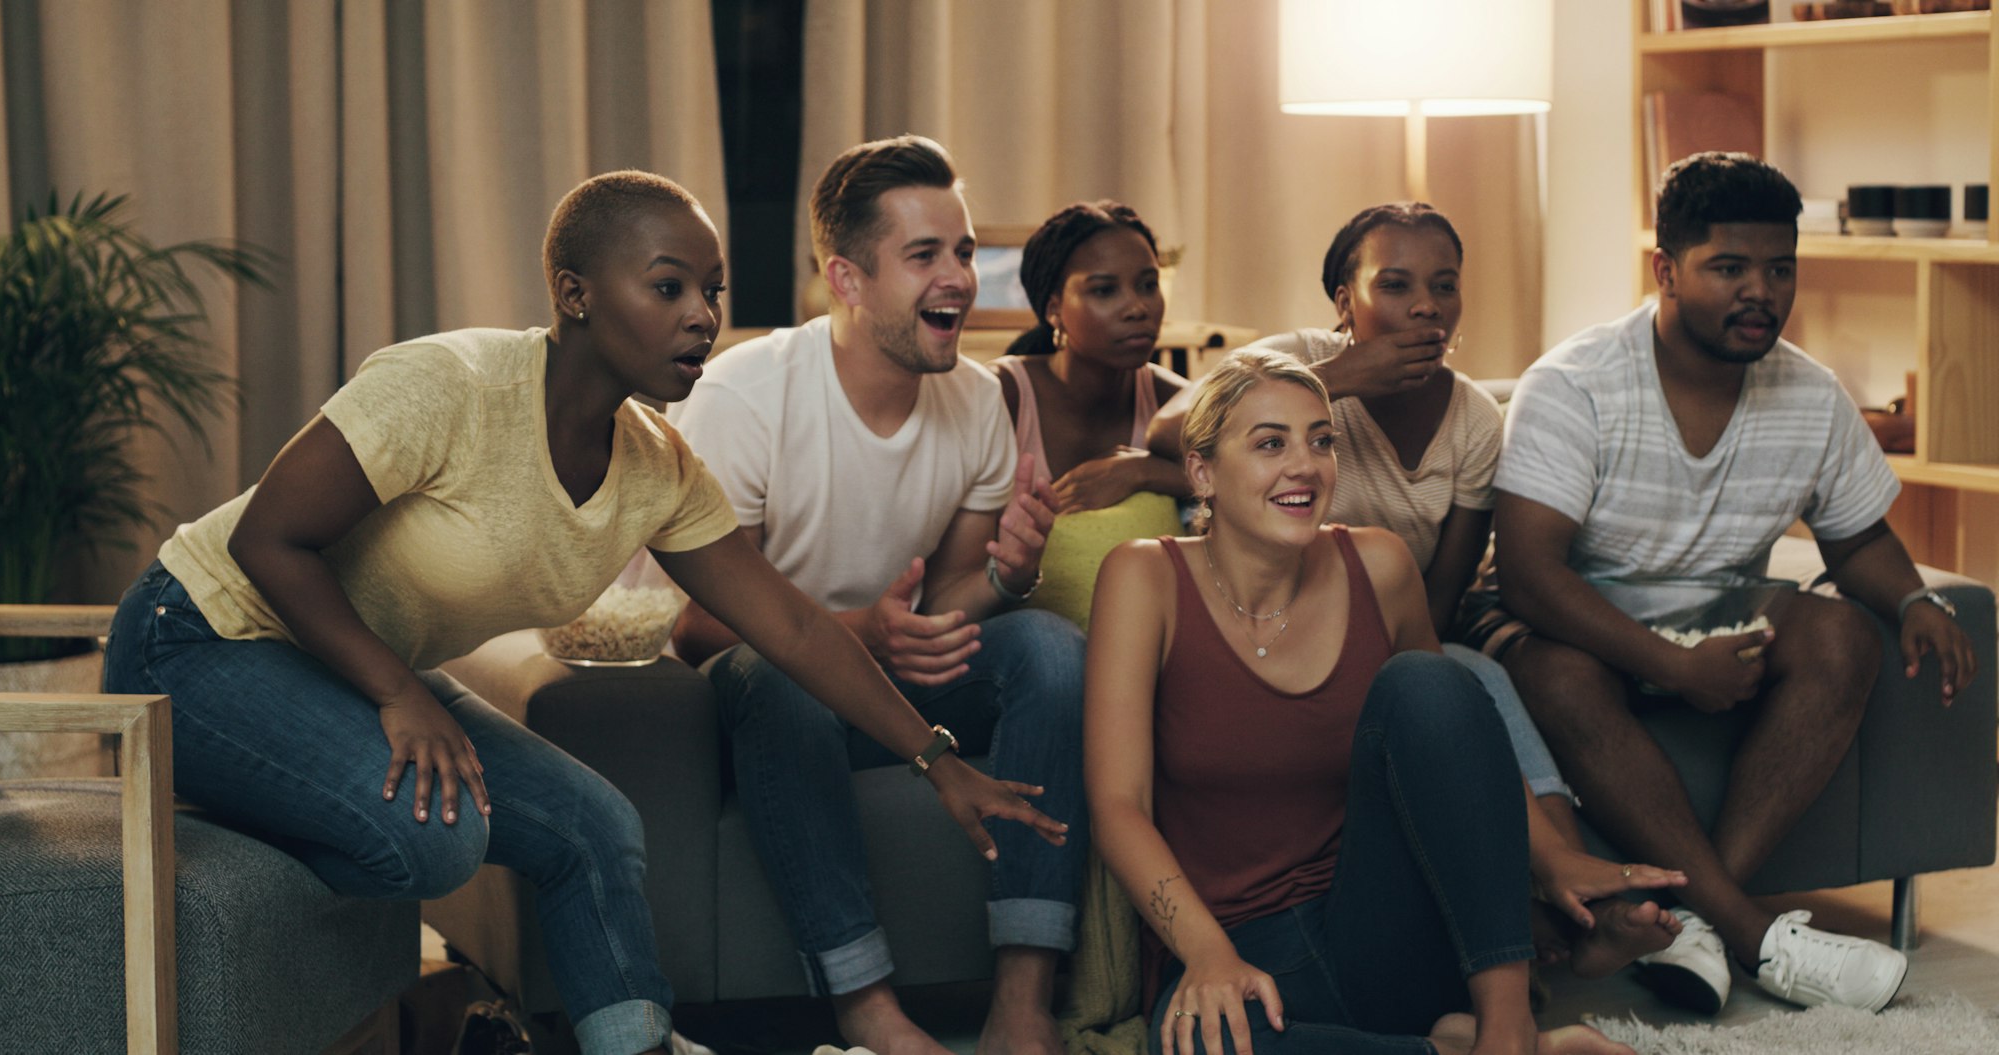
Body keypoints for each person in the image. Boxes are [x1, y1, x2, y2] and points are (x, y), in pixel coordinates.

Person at [100, 170, 1064, 1055]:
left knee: (596, 824)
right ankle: (238, 779)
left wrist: (938, 760)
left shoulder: (658, 467)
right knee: (438, 838)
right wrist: (399, 692)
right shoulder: (451, 385)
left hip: (344, 672)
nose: (703, 317)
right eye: (669, 287)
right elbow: (268, 540)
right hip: (199, 637)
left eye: (713, 291)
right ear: (576, 294)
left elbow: (797, 628)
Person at [1478, 151, 1978, 1016]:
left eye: (1779, 268)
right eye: (1730, 268)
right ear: (1667, 271)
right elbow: (1527, 574)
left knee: (1845, 633)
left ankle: (1691, 917)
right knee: (1556, 668)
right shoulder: (1574, 385)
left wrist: (1912, 599)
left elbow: (1854, 535)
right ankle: (1752, 931)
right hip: (1573, 623)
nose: (1761, 292)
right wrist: (1673, 668)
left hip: (1718, 611)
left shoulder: (1812, 395)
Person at [1086, 348, 1683, 1055]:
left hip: (1390, 931)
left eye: (1321, 439)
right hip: (1242, 944)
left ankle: (1503, 1031)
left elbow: (1452, 738)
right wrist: (1209, 955)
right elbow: (1118, 806)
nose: (1305, 465)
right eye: (1270, 443)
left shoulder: (1378, 562)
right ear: (1202, 471)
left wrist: (1552, 859)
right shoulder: (1144, 577)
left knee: (1428, 680)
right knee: (1192, 1049)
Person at [669, 136, 1087, 1055]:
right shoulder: (746, 394)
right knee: (779, 679)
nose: (960, 278)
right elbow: (700, 627)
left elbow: (948, 604)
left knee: (1052, 647)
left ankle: (1022, 999)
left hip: (900, 686)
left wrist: (1009, 578)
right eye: (925, 256)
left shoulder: (978, 399)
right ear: (847, 281)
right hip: (775, 689)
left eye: (966, 251)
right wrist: (863, 634)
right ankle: (871, 1012)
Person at [1147, 204, 1629, 972]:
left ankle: (1570, 899)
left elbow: (1437, 607)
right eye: (1397, 285)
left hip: (1406, 630)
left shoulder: (1474, 418)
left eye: (1444, 286)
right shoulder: (1291, 361)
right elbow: (1171, 431)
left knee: (1474, 676)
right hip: (1278, 616)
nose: (1426, 305)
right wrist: (1336, 380)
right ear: (1346, 299)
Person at [987, 199, 1188, 630]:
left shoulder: (1176, 400)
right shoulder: (1001, 394)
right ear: (1054, 307)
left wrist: (1143, 473)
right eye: (1104, 290)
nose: (1138, 308)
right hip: (1018, 637)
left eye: (1148, 285)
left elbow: (1245, 482)